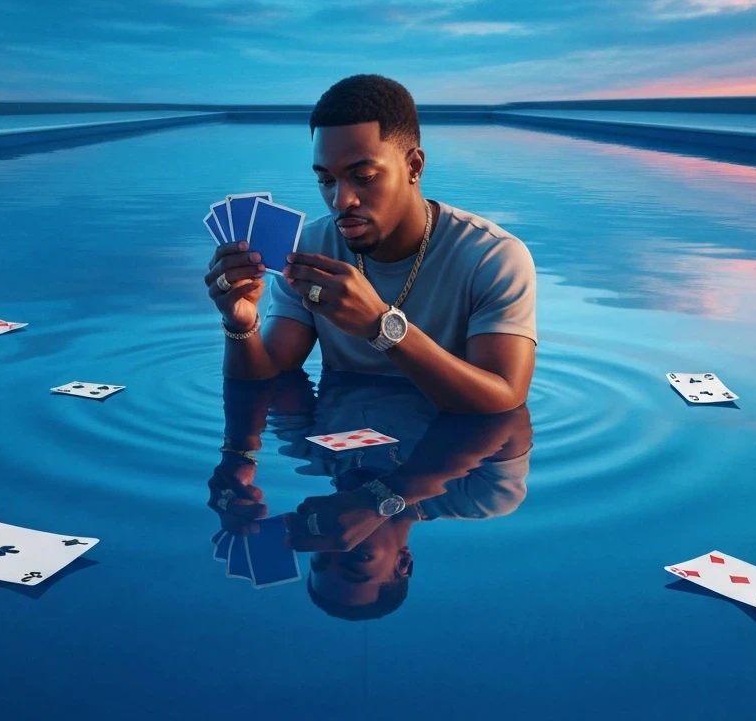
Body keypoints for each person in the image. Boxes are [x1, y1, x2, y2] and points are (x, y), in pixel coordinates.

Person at [203, 74, 537, 414]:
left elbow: (504, 398)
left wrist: (383, 326)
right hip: (344, 456)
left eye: (363, 178)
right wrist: (240, 325)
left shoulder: (493, 257)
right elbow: (266, 378)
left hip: (458, 457)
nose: (340, 200)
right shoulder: (308, 249)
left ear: (414, 166)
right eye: (326, 180)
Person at [206, 370, 533, 621]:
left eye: (321, 556)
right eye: (355, 558)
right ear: (403, 562)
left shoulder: (314, 451)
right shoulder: (479, 496)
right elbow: (510, 419)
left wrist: (239, 453)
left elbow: (275, 374)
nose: (336, 542)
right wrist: (383, 497)